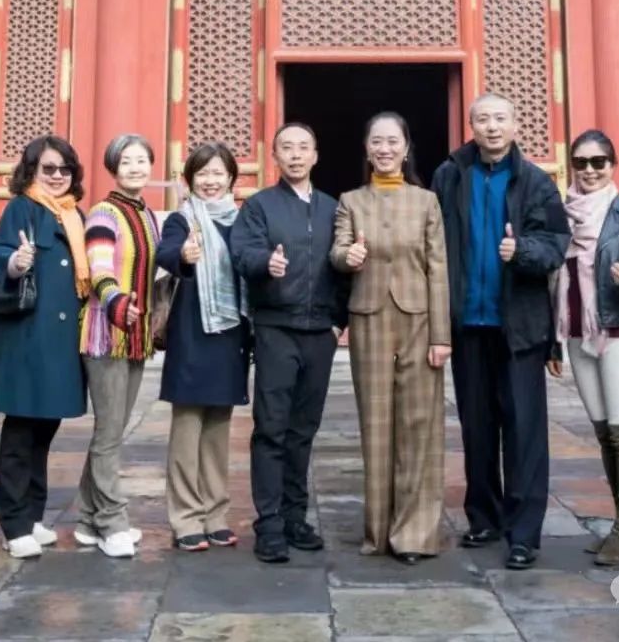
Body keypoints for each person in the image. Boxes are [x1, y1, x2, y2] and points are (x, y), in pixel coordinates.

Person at [431, 93, 567, 571]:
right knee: (478, 426)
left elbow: (555, 244)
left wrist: (521, 251)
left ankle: (523, 532)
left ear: (515, 125)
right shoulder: (450, 175)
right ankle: (484, 516)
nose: (492, 127)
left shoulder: (536, 182)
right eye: (483, 119)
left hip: (520, 327)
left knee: (524, 430)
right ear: (471, 125)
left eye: (500, 119)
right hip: (469, 323)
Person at [331, 112, 450, 565]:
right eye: (377, 142)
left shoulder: (426, 202)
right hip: (369, 318)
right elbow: (337, 250)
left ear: (406, 148)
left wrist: (441, 335)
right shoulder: (350, 201)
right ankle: (378, 531)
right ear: (367, 149)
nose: (384, 149)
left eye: (392, 141)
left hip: (419, 319)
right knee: (376, 424)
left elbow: (438, 269)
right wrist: (348, 256)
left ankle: (414, 533)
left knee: (420, 425)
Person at [230, 122, 349, 564]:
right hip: (277, 329)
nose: (295, 155)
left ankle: (296, 517)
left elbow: (345, 267)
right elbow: (241, 253)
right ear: (274, 156)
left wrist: (338, 322)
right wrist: (266, 262)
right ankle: (269, 523)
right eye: (287, 148)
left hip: (320, 333)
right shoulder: (259, 206)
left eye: (303, 148)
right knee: (271, 429)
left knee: (304, 430)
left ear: (315, 155)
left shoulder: (333, 208)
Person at [547, 129, 619, 567]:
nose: (589, 170)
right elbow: (552, 281)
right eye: (581, 162)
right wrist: (553, 342)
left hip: (617, 331)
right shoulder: (561, 216)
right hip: (576, 333)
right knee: (605, 432)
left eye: (598, 162)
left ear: (612, 165)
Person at [0, 135, 90, 559]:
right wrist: (16, 262)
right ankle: (13, 524)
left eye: (65, 169)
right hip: (29, 335)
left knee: (45, 429)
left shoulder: (74, 213)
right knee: (21, 430)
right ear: (31, 170)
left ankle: (32, 515)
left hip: (62, 338)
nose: (57, 176)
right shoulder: (22, 207)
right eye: (48, 168)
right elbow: (2, 254)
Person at [157, 142, 251, 552]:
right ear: (189, 179)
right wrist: (183, 254)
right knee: (187, 427)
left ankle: (215, 514)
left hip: (230, 333)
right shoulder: (183, 219)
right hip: (192, 332)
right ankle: (185, 517)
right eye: (202, 174)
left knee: (217, 429)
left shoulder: (242, 220)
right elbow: (165, 252)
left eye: (218, 173)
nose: (210, 181)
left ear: (231, 177)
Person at [74, 134, 161, 559]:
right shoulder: (104, 214)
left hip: (136, 335)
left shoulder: (147, 215)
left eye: (142, 160)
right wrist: (116, 302)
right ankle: (112, 521)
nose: (135, 168)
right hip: (106, 333)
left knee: (112, 431)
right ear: (113, 168)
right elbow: (100, 268)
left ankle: (87, 517)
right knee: (109, 433)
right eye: (126, 161)